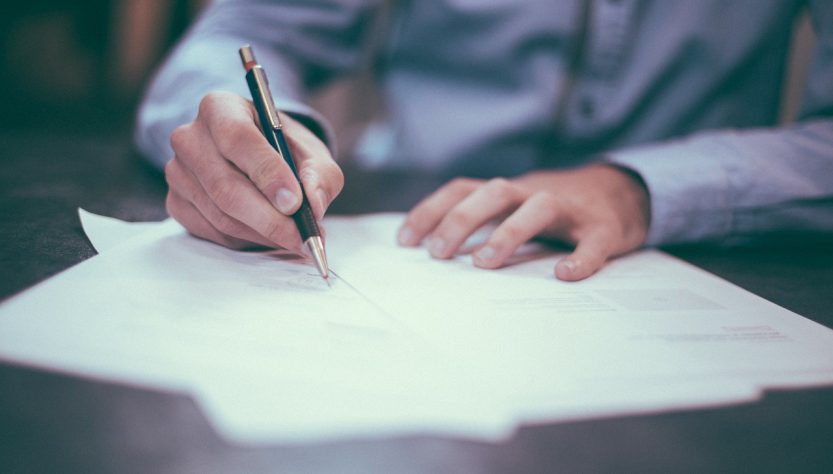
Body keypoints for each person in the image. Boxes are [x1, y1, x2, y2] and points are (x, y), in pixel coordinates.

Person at [135, 0, 833, 281]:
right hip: (409, 227)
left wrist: (639, 187)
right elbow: (237, 37)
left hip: (697, 254)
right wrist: (264, 136)